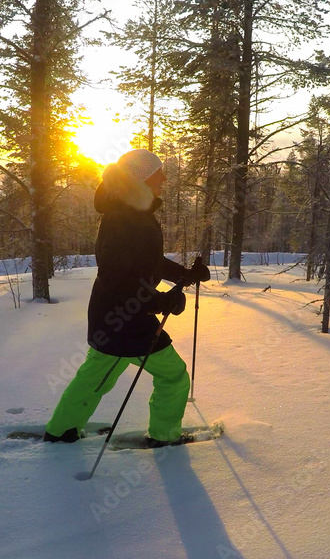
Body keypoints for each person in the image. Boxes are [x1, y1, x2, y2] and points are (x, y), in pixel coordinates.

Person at [44, 149, 211, 447]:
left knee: (96, 378)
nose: (163, 178)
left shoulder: (131, 213)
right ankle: (163, 436)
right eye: (157, 173)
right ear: (141, 179)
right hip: (126, 320)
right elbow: (118, 279)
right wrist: (160, 302)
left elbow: (149, 262)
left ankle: (62, 430)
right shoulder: (125, 220)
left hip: (113, 318)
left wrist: (185, 274)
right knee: (173, 376)